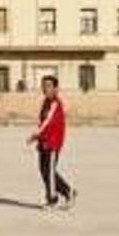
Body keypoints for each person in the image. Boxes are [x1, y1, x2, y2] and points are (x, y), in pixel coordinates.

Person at [27, 76, 76, 210]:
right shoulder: (46, 102)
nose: (45, 88)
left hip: (53, 142)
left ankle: (52, 199)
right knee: (44, 170)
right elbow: (42, 121)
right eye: (43, 86)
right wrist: (39, 137)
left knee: (49, 171)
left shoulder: (55, 103)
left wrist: (36, 135)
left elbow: (48, 122)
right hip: (44, 141)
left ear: (55, 88)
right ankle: (68, 191)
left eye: (48, 86)